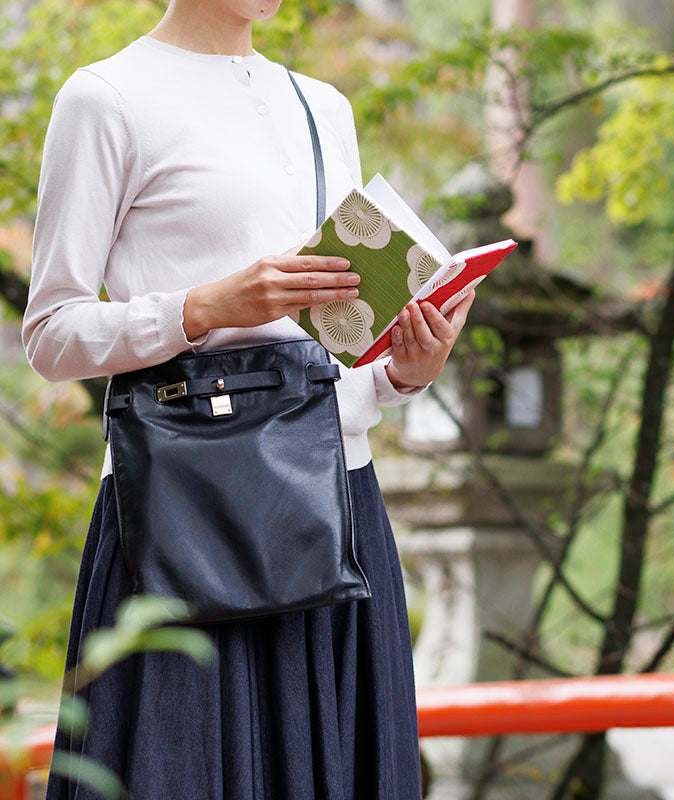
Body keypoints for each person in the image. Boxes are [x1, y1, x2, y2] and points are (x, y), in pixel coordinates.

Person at [21, 0, 477, 797]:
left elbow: (334, 350)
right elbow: (52, 334)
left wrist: (405, 370)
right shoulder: (106, 97)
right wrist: (205, 307)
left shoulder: (322, 107)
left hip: (336, 501)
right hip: (186, 510)